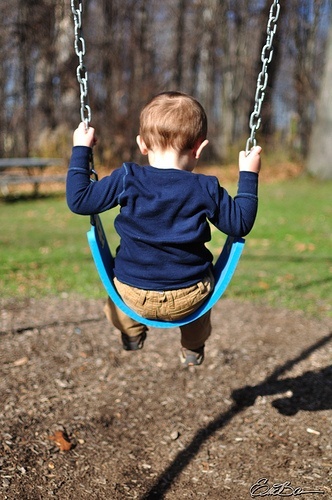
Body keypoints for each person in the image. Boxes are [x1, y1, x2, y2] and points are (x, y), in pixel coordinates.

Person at [66, 91, 261, 367]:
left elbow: (79, 200)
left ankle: (131, 333)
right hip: (189, 296)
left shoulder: (127, 178)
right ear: (199, 148)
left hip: (132, 293)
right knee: (200, 313)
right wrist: (249, 176)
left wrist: (81, 150)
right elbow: (240, 224)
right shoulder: (205, 188)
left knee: (114, 304)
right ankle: (193, 347)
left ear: (142, 145)